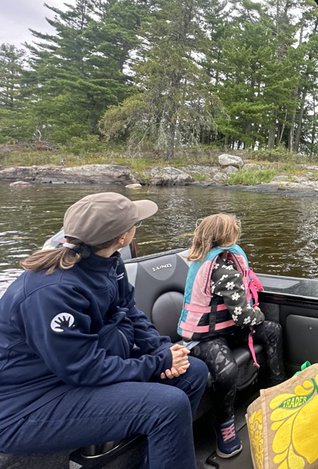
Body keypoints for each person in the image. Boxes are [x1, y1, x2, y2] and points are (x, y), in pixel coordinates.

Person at [0, 192, 208, 469]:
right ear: (123, 237)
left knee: (193, 371)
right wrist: (158, 363)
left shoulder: (107, 262)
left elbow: (128, 310)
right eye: (137, 222)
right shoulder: (52, 292)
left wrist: (161, 349)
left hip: (72, 376)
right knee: (167, 406)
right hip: (26, 405)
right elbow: (83, 369)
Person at [178, 213, 285, 459]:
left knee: (274, 332)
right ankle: (224, 424)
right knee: (226, 369)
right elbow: (244, 317)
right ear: (227, 238)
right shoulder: (219, 270)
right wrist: (256, 315)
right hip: (204, 337)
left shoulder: (218, 259)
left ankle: (276, 392)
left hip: (227, 327)